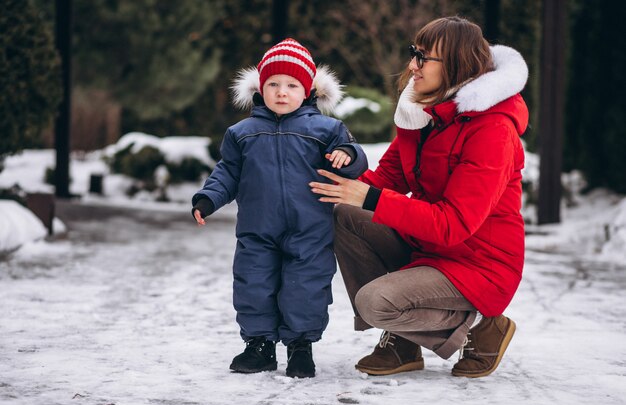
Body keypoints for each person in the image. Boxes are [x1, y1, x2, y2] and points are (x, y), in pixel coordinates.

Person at [309, 16, 529, 378]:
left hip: (480, 264)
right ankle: (405, 342)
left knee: (373, 303)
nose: (412, 65)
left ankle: (483, 328)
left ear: (458, 64)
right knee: (345, 215)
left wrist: (370, 198)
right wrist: (322, 177)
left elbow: (453, 224)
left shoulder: (493, 130)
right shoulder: (424, 117)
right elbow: (384, 181)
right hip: (430, 249)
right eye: (414, 53)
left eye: (424, 58)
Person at [192, 38, 368, 378]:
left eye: (292, 85)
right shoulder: (242, 133)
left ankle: (300, 346)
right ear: (261, 89)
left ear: (308, 91)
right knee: (253, 284)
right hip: (258, 230)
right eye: (273, 84)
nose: (281, 92)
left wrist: (347, 156)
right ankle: (259, 345)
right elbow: (227, 172)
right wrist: (208, 198)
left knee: (306, 287)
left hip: (310, 229)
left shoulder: (326, 130)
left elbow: (354, 157)